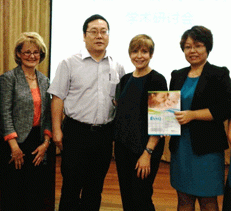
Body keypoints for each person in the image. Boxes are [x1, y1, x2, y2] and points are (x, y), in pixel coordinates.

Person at [48, 14, 125, 211]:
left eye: (103, 31)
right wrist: (56, 130)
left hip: (104, 135)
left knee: (95, 187)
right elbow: (57, 97)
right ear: (84, 35)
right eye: (94, 31)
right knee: (71, 187)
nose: (99, 36)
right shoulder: (69, 63)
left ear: (108, 35)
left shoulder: (117, 66)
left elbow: (120, 101)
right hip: (76, 133)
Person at [169, 26, 231, 211]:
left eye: (198, 45)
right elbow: (168, 107)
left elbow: (226, 108)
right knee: (183, 199)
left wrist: (193, 115)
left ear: (207, 47)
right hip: (181, 148)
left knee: (208, 201)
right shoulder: (177, 75)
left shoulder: (218, 74)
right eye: (188, 47)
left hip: (207, 150)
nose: (192, 51)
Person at [0, 32, 52, 211]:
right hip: (14, 143)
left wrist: (46, 143)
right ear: (19, 54)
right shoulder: (9, 78)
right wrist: (14, 146)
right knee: (13, 194)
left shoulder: (45, 81)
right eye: (27, 52)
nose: (31, 56)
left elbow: (47, 115)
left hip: (37, 143)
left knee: (34, 193)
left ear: (41, 54)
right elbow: (4, 113)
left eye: (36, 52)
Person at [114, 34, 167, 211]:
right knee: (127, 198)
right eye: (135, 51)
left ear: (151, 54)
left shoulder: (158, 79)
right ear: (130, 54)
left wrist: (147, 152)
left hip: (145, 149)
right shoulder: (125, 79)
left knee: (141, 198)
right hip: (123, 148)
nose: (139, 56)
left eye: (144, 51)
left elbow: (162, 121)